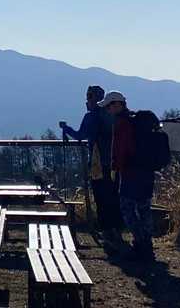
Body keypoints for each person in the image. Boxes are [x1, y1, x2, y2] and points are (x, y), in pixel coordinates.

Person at [60, 84, 119, 243]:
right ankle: (116, 230)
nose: (86, 101)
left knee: (101, 199)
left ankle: (107, 231)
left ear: (94, 99)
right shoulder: (111, 116)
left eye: (88, 97)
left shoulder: (91, 117)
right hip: (115, 163)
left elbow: (80, 135)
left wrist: (66, 128)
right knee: (113, 197)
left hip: (98, 165)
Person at [105, 91, 156, 263]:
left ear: (117, 104)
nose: (107, 109)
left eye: (109, 105)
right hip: (146, 171)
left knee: (127, 208)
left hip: (130, 172)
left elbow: (121, 149)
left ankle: (140, 243)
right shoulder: (136, 121)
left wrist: (115, 168)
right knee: (144, 208)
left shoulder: (122, 123)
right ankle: (147, 245)